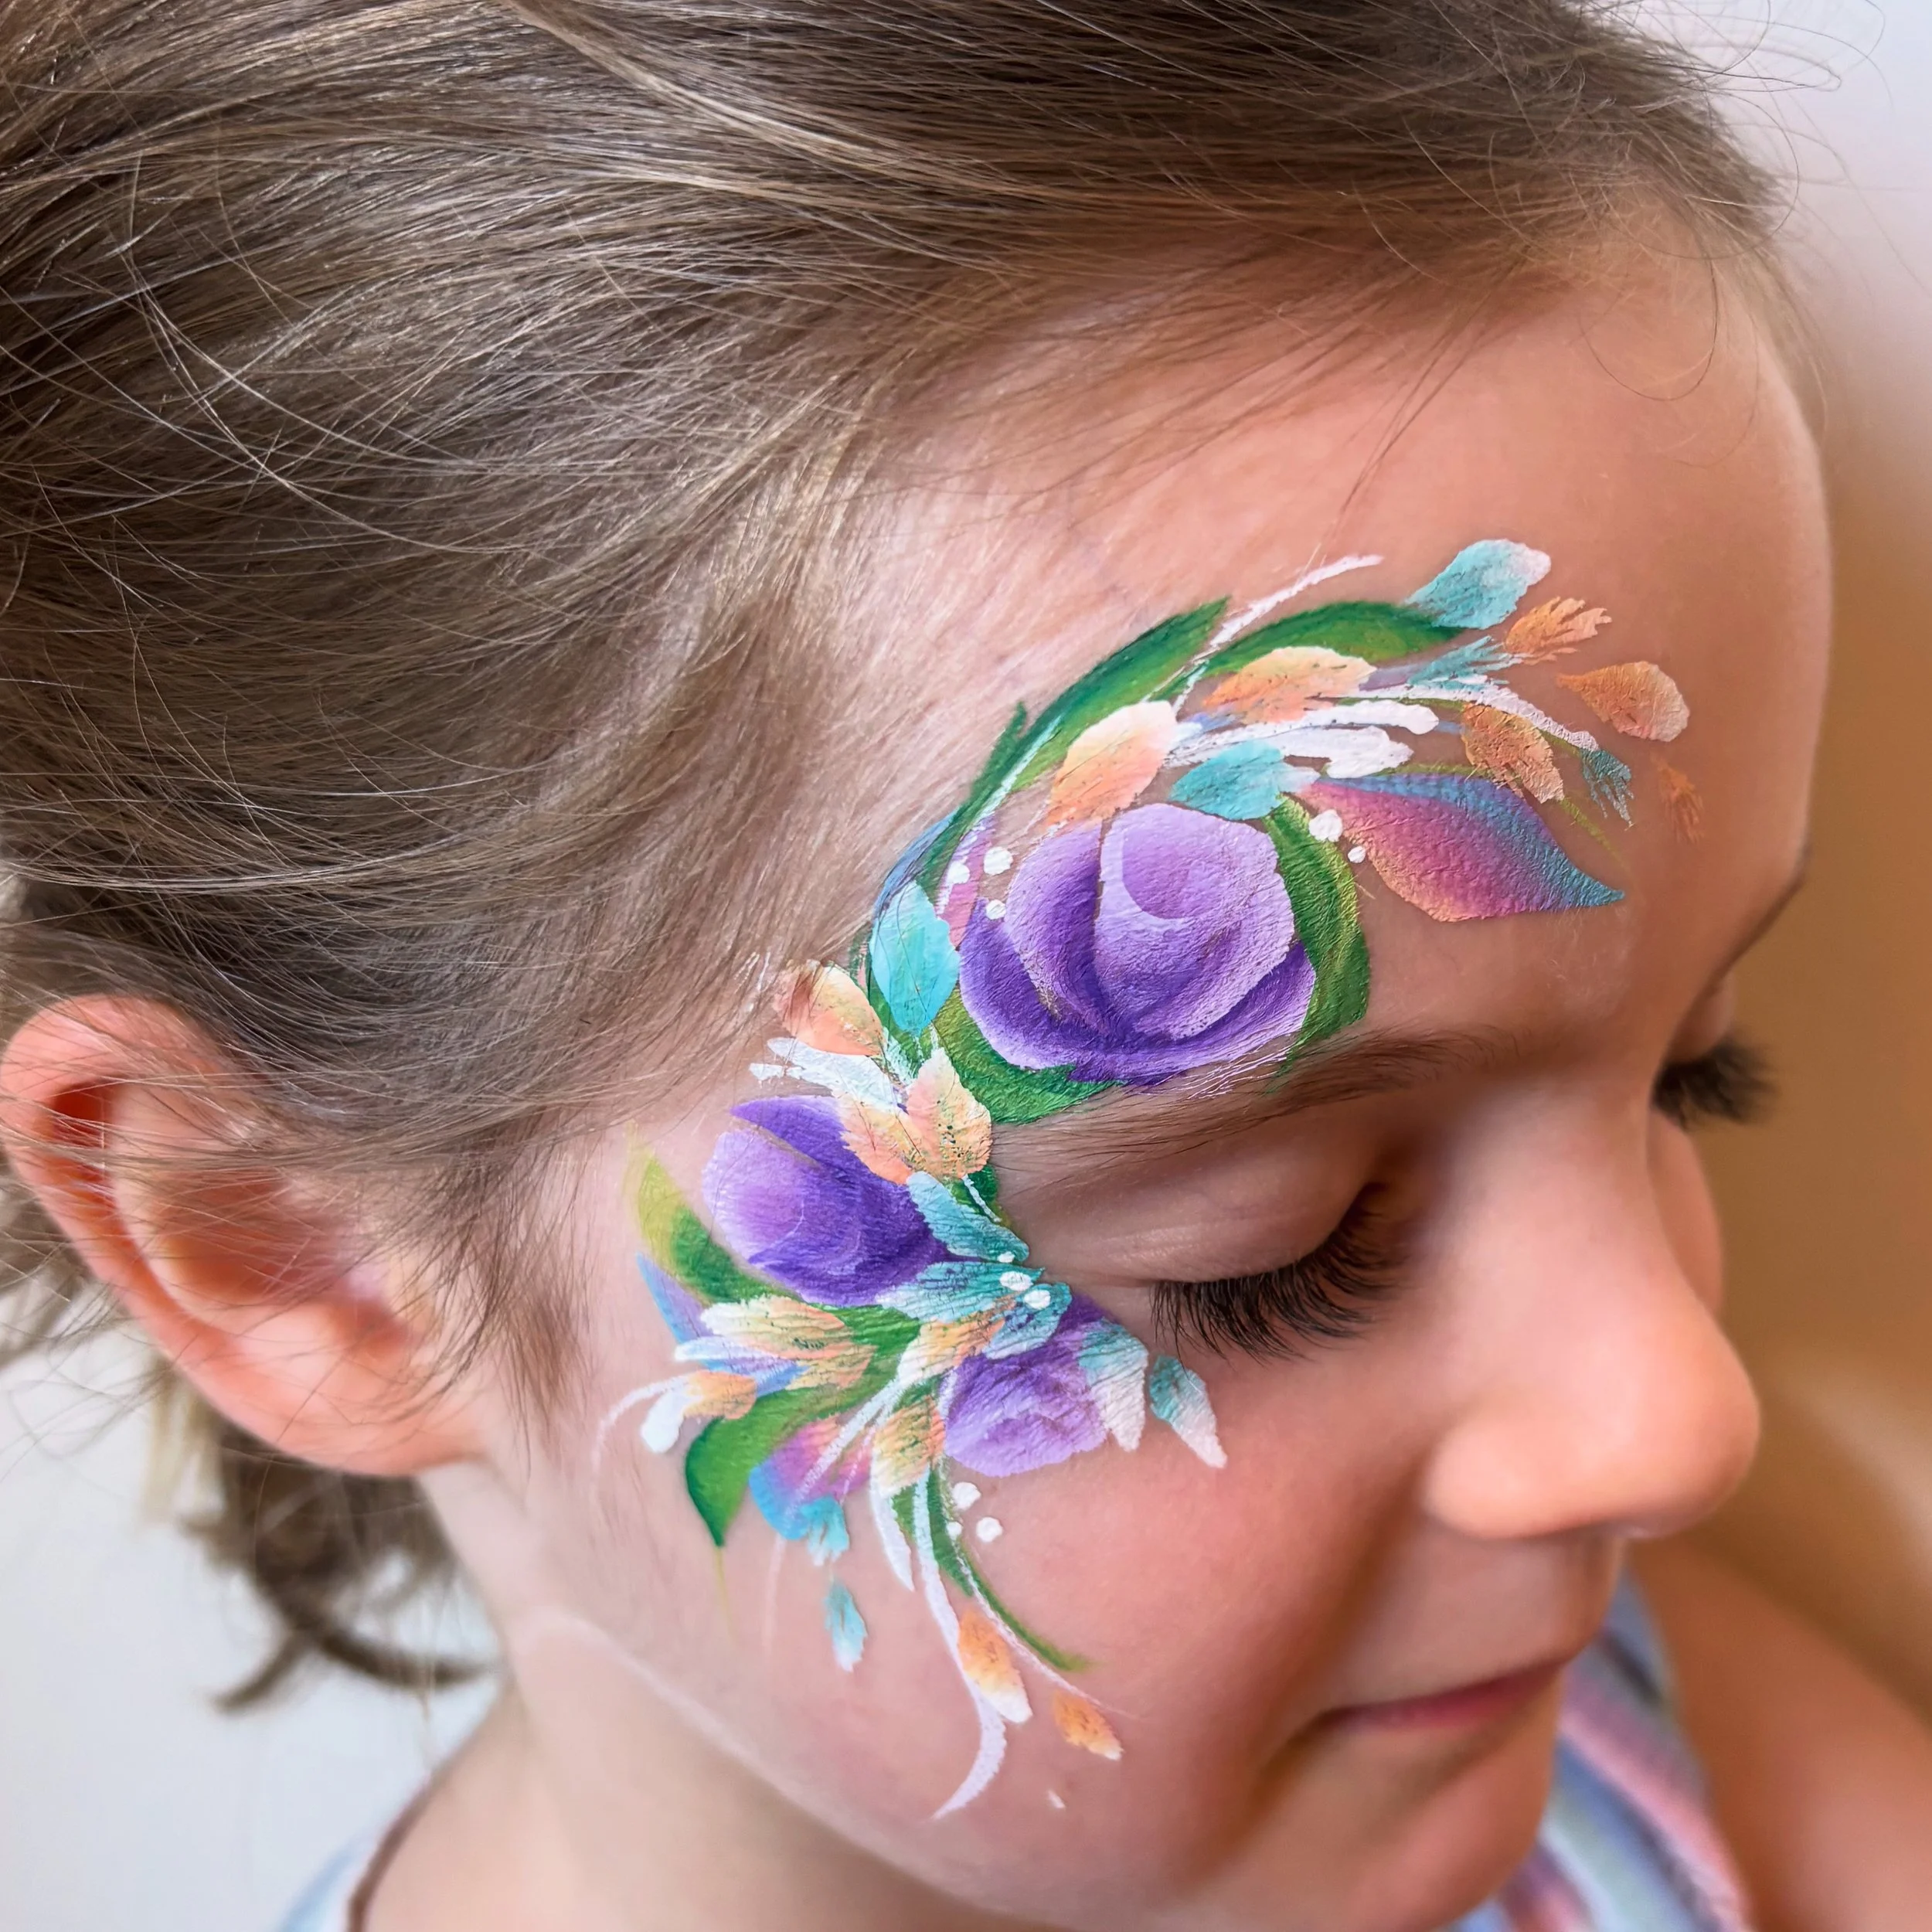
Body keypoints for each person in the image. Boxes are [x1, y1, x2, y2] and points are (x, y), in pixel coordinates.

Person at [2, 2, 1931, 1927]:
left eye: (1690, 1069)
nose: (1675, 1411)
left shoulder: (1621, 1743)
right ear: (292, 1249)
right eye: (1273, 1246)